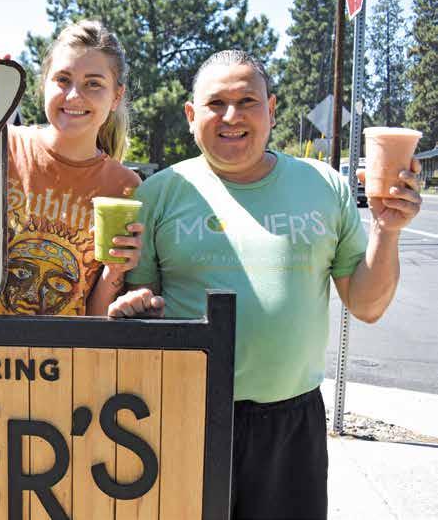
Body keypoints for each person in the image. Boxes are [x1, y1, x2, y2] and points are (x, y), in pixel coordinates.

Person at [110, 50, 422, 519]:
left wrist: (387, 229)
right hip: (181, 415)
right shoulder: (158, 193)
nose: (231, 116)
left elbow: (367, 305)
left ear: (271, 109)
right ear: (191, 115)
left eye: (247, 102)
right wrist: (134, 304)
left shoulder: (324, 186)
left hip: (291, 425)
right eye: (216, 103)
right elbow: (140, 304)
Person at [0, 20, 143, 316]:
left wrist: (114, 272)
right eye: (63, 79)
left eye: (93, 83)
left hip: (66, 346)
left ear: (116, 97)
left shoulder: (125, 187)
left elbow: (95, 318)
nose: (73, 96)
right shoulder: (0, 146)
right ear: (44, 83)